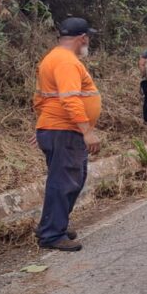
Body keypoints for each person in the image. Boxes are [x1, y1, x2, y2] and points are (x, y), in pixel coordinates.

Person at [32, 17, 101, 251]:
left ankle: (51, 225)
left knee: (70, 179)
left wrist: (44, 125)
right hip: (64, 131)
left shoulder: (54, 57)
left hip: (56, 128)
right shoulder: (66, 62)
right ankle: (52, 234)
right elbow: (69, 98)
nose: (88, 41)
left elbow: (42, 99)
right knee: (65, 182)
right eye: (88, 37)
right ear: (82, 38)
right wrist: (87, 131)